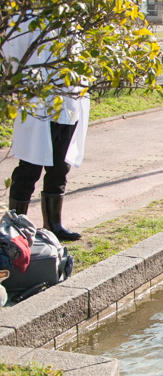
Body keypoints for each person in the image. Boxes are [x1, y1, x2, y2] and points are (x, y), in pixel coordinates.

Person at [4, 24, 88, 242]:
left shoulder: (72, 21)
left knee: (60, 167)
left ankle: (53, 225)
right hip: (38, 105)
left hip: (68, 104)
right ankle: (16, 229)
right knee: (30, 168)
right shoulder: (30, 18)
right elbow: (12, 52)